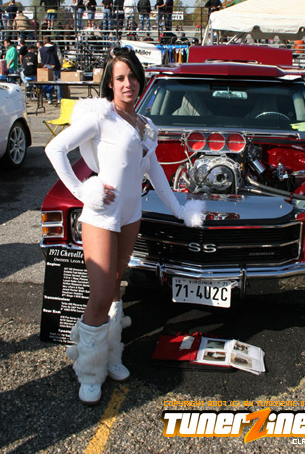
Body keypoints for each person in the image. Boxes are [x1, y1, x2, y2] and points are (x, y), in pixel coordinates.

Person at [45, 46, 204, 404]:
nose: (127, 83)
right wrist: (84, 191)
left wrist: (179, 209)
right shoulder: (102, 117)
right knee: (101, 294)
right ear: (110, 84)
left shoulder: (145, 125)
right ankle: (89, 369)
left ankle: (112, 354)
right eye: (120, 78)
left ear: (140, 79)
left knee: (116, 288)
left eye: (132, 76)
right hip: (102, 215)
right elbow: (54, 149)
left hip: (131, 215)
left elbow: (154, 171)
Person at [39, 36, 63, 103]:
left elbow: (39, 60)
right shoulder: (55, 48)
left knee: (48, 83)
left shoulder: (41, 50)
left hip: (46, 68)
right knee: (58, 83)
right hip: (55, 67)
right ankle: (59, 98)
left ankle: (49, 99)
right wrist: (61, 65)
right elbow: (60, 58)